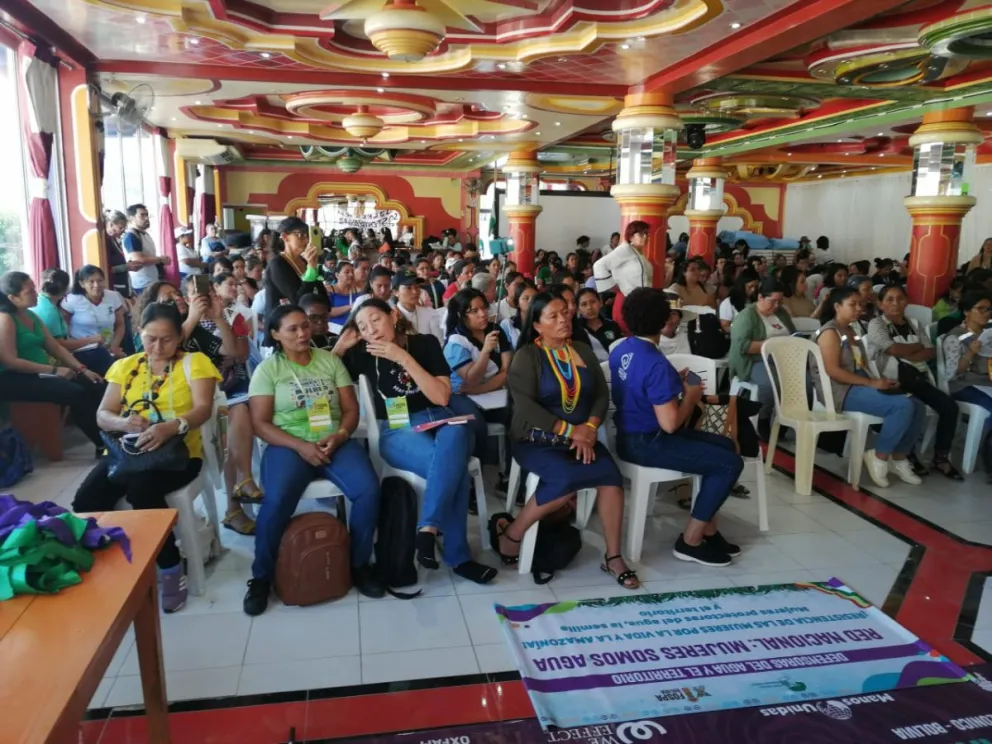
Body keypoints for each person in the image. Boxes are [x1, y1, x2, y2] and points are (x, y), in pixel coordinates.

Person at [72, 302, 222, 613]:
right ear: (140, 333)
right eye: (151, 338)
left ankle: (169, 566)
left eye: (166, 339)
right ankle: (115, 561)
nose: (157, 346)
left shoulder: (195, 363)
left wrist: (172, 426)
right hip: (130, 452)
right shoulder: (125, 366)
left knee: (142, 491)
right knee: (86, 500)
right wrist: (123, 423)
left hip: (178, 455)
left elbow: (202, 409)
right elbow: (103, 414)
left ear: (179, 336)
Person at [334, 300, 496, 583]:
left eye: (375, 319)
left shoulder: (424, 344)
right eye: (363, 326)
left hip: (439, 417)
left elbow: (442, 397)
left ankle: (428, 528)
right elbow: (324, 374)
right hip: (398, 428)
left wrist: (402, 357)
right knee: (452, 467)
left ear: (393, 316)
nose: (371, 329)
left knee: (456, 433)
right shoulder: (361, 353)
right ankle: (457, 555)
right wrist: (340, 347)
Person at [243, 305, 383, 614]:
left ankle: (359, 564)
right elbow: (260, 424)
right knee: (276, 500)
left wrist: (341, 435)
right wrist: (300, 446)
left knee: (369, 490)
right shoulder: (269, 370)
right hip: (288, 445)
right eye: (292, 329)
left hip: (333, 441)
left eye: (305, 326)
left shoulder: (329, 361)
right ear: (276, 335)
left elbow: (350, 409)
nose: (303, 333)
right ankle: (262, 577)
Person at [491, 292, 637, 589]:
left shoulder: (581, 350)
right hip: (536, 438)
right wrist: (572, 432)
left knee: (610, 477)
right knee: (564, 477)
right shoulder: (527, 356)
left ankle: (613, 556)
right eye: (553, 316)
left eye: (565, 314)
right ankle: (514, 535)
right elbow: (527, 407)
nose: (563, 320)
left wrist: (590, 428)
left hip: (582, 434)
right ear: (537, 325)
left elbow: (600, 394)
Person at [611, 288, 744, 566]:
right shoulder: (656, 363)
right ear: (663, 321)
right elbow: (670, 424)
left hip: (628, 435)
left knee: (726, 446)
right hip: (650, 442)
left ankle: (709, 528)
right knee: (728, 464)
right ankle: (691, 541)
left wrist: (674, 380)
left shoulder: (623, 348)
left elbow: (642, 386)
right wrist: (692, 396)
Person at [817, 287, 927, 488]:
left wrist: (880, 380)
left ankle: (899, 458)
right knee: (902, 406)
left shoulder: (853, 330)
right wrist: (872, 383)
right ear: (837, 307)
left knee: (917, 405)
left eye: (861, 304)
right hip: (840, 390)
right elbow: (833, 371)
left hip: (860, 384)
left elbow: (863, 365)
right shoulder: (830, 333)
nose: (859, 308)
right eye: (853, 304)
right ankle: (879, 456)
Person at [180, 273, 258, 535]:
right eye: (193, 293)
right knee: (228, 422)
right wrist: (191, 317)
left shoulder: (207, 327)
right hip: (184, 404)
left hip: (221, 396)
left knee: (237, 413)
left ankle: (241, 487)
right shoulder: (171, 330)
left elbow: (235, 352)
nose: (198, 298)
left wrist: (215, 316)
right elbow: (171, 346)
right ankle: (235, 502)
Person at [0, 270, 106, 447]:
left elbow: (55, 347)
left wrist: (82, 369)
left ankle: (112, 434)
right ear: (13, 298)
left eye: (34, 288)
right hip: (13, 378)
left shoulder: (31, 315)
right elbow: (11, 362)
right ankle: (102, 444)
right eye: (30, 291)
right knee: (75, 392)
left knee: (95, 383)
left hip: (39, 373)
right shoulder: (5, 319)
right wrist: (55, 370)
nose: (36, 293)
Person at [867, 285, 962, 479]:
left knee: (949, 407)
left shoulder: (915, 323)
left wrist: (910, 351)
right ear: (880, 303)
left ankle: (941, 457)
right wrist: (917, 347)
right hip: (892, 380)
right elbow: (892, 349)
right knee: (913, 406)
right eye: (889, 299)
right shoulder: (877, 324)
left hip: (918, 378)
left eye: (900, 299)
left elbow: (930, 352)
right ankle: (906, 454)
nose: (895, 304)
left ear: (906, 301)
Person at [442, 288, 512, 478]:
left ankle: (511, 473)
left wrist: (480, 389)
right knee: (476, 424)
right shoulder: (456, 342)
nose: (482, 314)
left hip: (488, 391)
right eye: (474, 311)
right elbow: (469, 378)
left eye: (484, 308)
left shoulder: (496, 330)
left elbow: (508, 371)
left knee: (517, 414)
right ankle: (474, 481)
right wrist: (485, 352)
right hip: (459, 394)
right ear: (461, 315)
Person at [728, 277, 796, 432]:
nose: (777, 306)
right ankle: (763, 419)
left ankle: (786, 419)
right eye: (773, 301)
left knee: (802, 381)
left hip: (783, 359)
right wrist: (773, 345)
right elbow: (742, 346)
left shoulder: (781, 312)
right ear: (760, 297)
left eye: (780, 302)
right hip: (755, 360)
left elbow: (792, 333)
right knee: (769, 384)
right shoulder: (747, 316)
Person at [941, 290, 992, 480]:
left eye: (989, 309)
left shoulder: (989, 334)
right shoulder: (956, 336)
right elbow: (952, 374)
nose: (986, 313)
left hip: (986, 381)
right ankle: (988, 459)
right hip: (962, 384)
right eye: (981, 309)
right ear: (966, 312)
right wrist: (970, 353)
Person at [61, 265, 126, 376]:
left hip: (108, 348)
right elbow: (62, 332)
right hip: (82, 349)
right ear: (82, 284)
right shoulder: (71, 300)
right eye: (91, 281)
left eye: (100, 281)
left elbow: (120, 324)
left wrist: (114, 346)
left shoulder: (113, 296)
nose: (96, 285)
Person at [263, 216, 327, 327]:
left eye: (307, 235)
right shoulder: (277, 264)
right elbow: (297, 301)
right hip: (283, 327)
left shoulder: (305, 261)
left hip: (309, 325)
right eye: (300, 235)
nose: (306, 240)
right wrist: (311, 270)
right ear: (285, 237)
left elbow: (324, 299)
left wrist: (313, 266)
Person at [594, 221, 653, 336]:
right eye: (641, 234)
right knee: (629, 336)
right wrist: (613, 286)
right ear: (631, 237)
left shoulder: (640, 254)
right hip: (627, 300)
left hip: (642, 301)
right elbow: (599, 265)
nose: (645, 237)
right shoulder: (625, 249)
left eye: (647, 234)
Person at [34, 268, 103, 353]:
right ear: (65, 290)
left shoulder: (40, 301)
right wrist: (91, 339)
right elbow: (59, 345)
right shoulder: (50, 312)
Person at [123, 204, 169, 295]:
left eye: (147, 215)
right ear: (131, 218)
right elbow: (139, 259)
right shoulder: (131, 236)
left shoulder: (145, 235)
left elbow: (149, 257)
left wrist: (160, 260)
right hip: (142, 284)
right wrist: (160, 259)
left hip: (152, 280)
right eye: (142, 215)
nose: (146, 218)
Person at [393, 270, 443, 345]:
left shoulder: (430, 314)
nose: (415, 292)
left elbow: (440, 344)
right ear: (396, 292)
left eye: (417, 287)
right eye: (409, 288)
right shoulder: (391, 318)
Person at [575, 287, 622, 362]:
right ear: (578, 309)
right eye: (584, 304)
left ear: (600, 302)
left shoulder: (612, 325)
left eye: (593, 302)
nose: (589, 307)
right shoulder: (577, 331)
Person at [718, 268, 759, 332]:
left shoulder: (755, 300)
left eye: (756, 287)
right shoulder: (728, 303)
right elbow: (725, 327)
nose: (753, 290)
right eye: (750, 286)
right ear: (742, 285)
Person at [500, 280, 537, 350]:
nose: (531, 302)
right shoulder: (507, 324)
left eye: (534, 298)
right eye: (526, 298)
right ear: (517, 303)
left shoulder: (544, 323)